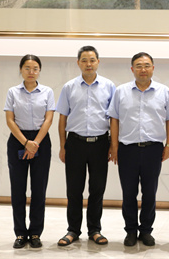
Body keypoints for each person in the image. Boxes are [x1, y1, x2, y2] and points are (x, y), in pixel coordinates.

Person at [108, 52, 169, 247]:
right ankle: (130, 231)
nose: (143, 69)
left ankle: (146, 230)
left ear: (153, 68)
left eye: (147, 65)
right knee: (128, 193)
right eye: (138, 66)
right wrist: (114, 146)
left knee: (150, 193)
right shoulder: (121, 91)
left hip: (153, 149)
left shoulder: (164, 91)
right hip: (127, 149)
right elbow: (114, 119)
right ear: (132, 69)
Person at [57, 46, 116, 246]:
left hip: (100, 143)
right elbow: (62, 119)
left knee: (97, 189)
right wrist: (63, 146)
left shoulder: (109, 86)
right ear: (78, 63)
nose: (88, 64)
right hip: (75, 143)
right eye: (84, 60)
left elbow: (114, 118)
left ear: (98, 62)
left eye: (92, 60)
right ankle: (73, 230)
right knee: (74, 190)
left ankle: (94, 230)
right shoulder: (69, 87)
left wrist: (112, 145)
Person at [4, 54, 55, 249]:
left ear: (39, 71)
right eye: (27, 68)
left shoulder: (47, 91)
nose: (31, 72)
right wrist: (26, 143)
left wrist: (35, 143)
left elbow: (48, 119)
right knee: (18, 189)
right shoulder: (13, 92)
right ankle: (20, 233)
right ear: (21, 70)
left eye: (35, 68)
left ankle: (35, 233)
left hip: (41, 140)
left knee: (39, 189)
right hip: (18, 140)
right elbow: (10, 120)